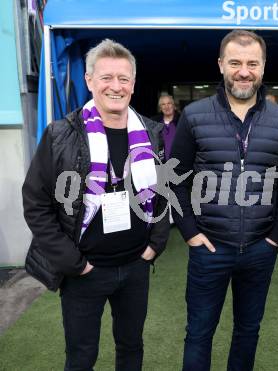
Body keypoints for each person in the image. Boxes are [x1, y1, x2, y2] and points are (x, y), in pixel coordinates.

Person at [22, 39, 169, 370]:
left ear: (133, 83)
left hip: (135, 265)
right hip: (84, 271)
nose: (115, 86)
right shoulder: (60, 134)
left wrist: (155, 244)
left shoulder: (151, 133)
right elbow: (36, 203)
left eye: (124, 78)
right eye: (106, 77)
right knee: (81, 355)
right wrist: (74, 263)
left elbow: (162, 191)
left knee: (131, 348)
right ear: (89, 81)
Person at [170, 30, 278, 371]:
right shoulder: (194, 115)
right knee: (198, 333)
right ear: (221, 65)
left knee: (248, 331)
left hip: (259, 249)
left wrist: (276, 237)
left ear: (263, 67)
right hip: (209, 247)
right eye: (236, 63)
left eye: (252, 63)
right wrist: (190, 233)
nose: (244, 71)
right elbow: (174, 179)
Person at [152, 94, 179, 161]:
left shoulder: (181, 121)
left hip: (178, 163)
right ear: (160, 108)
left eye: (169, 103)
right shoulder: (154, 123)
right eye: (163, 104)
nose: (166, 107)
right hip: (160, 164)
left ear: (174, 105)